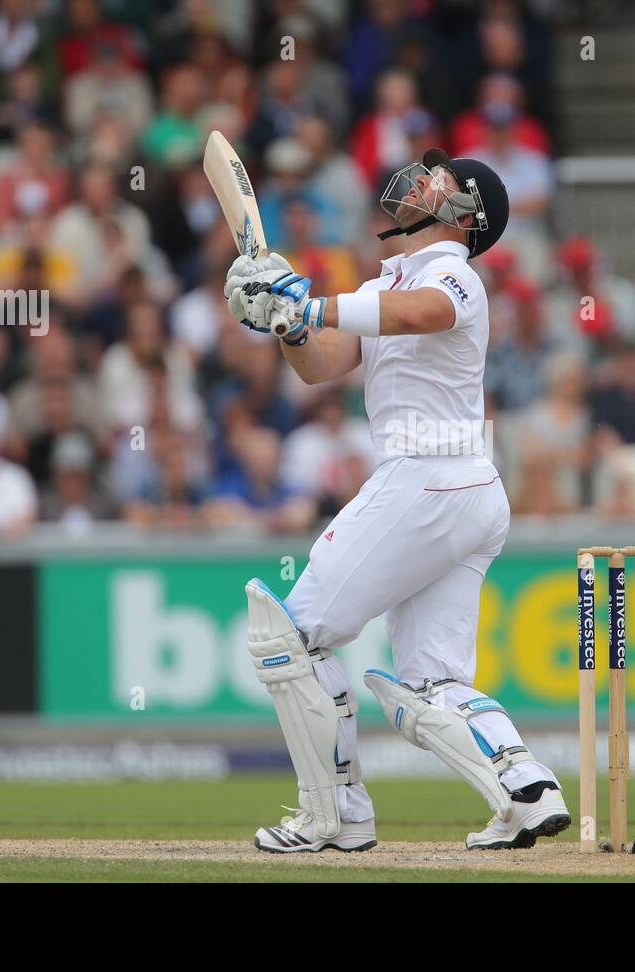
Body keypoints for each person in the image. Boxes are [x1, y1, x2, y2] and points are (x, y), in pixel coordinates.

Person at [224, 147, 569, 853]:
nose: (422, 177)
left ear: (464, 213)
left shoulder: (453, 274)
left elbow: (420, 314)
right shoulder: (392, 280)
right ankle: (526, 793)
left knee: (291, 636)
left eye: (441, 177)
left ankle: (335, 816)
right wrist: (289, 323)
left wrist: (308, 300)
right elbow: (322, 366)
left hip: (429, 479)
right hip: (462, 490)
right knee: (430, 680)